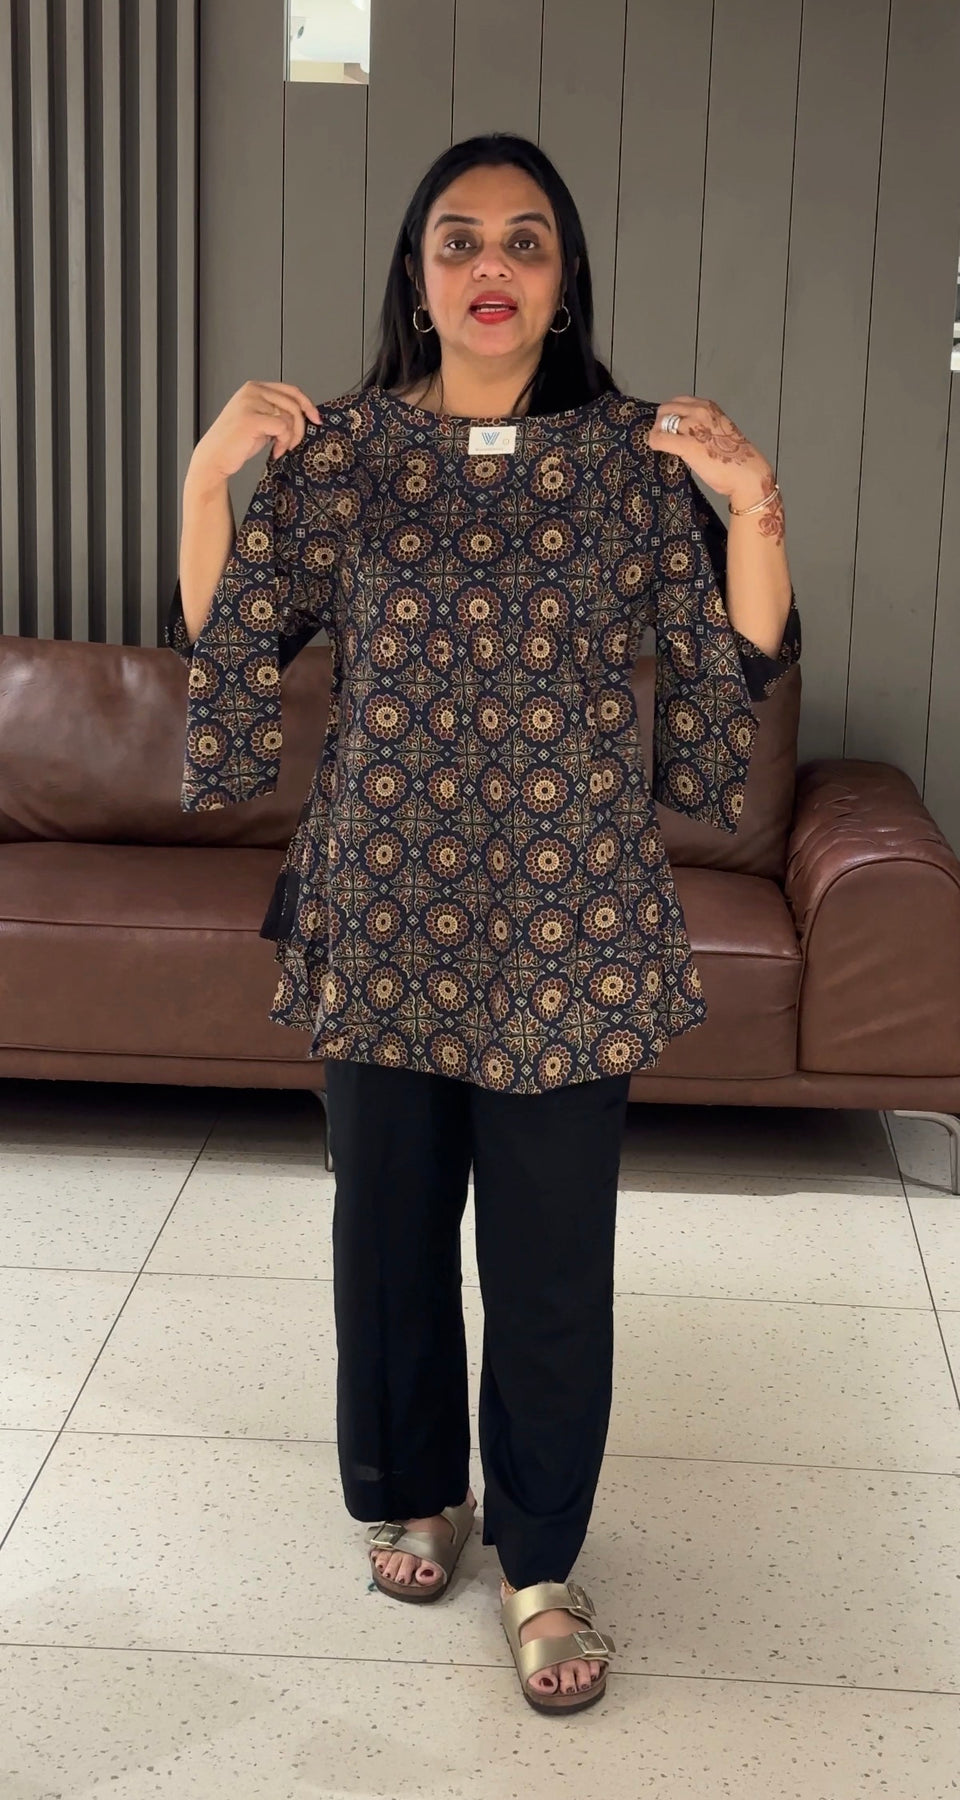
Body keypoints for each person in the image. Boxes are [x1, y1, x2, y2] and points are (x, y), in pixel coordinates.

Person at [167, 132, 800, 1715]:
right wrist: (206, 477)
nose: (492, 266)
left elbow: (730, 668)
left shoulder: (633, 464)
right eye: (459, 240)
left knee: (549, 1264)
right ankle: (420, 1492)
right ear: (418, 276)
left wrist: (752, 502)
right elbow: (232, 639)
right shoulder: (349, 456)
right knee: (386, 1235)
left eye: (526, 240)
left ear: (564, 280)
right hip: (384, 907)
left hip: (570, 924)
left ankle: (541, 1559)